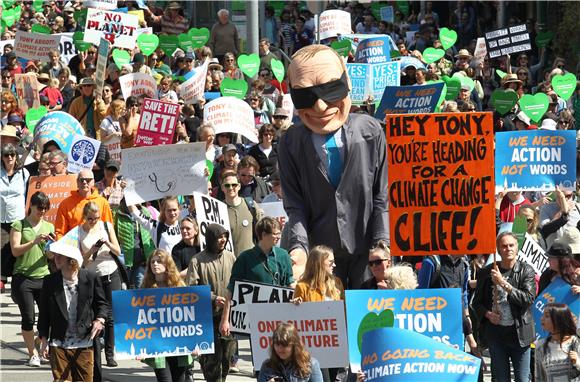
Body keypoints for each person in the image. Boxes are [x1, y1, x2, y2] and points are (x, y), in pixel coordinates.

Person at [279, 44, 388, 286]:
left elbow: (382, 195)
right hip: (321, 254)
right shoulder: (290, 143)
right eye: (306, 95)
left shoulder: (370, 131)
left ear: (346, 80)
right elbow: (295, 205)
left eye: (330, 89)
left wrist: (382, 243)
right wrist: (299, 248)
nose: (320, 106)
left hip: (366, 251)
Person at [38, 242, 108, 382]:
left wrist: (100, 320)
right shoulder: (50, 281)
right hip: (59, 342)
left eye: (60, 256)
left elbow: (102, 304)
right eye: (55, 255)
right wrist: (44, 339)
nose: (56, 258)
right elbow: (44, 313)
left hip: (84, 342)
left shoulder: (90, 278)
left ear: (71, 260)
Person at [472, 231, 536, 382]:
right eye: (504, 246)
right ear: (498, 250)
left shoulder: (526, 270)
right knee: (501, 379)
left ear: (517, 247)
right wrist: (488, 314)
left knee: (522, 379)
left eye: (511, 245)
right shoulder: (486, 272)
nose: (508, 249)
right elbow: (476, 303)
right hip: (496, 337)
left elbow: (528, 299)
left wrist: (503, 283)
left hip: (520, 335)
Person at [220, 217, 294, 337]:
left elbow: (290, 283)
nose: (279, 237)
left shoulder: (283, 255)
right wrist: (225, 320)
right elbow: (231, 290)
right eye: (275, 234)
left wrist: (297, 299)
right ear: (264, 235)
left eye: (280, 233)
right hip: (254, 321)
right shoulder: (245, 258)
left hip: (280, 317)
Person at [186, 223, 236, 382]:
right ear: (210, 239)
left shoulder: (230, 257)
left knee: (227, 358)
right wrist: (213, 298)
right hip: (207, 318)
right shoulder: (197, 260)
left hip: (228, 317)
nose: (223, 240)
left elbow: (237, 282)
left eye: (225, 236)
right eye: (219, 237)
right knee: (211, 363)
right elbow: (192, 289)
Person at [9, 191, 54, 367]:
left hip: (43, 276)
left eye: (45, 208)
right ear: (31, 207)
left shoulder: (49, 227)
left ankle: (37, 341)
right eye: (39, 208)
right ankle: (32, 353)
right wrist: (34, 241)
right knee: (28, 317)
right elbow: (15, 250)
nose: (42, 211)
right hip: (23, 277)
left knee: (47, 317)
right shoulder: (19, 225)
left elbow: (50, 256)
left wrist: (50, 247)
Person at [78, 201, 122, 367]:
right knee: (94, 314)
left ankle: (110, 354)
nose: (93, 221)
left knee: (110, 316)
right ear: (84, 217)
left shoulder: (106, 226)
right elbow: (80, 260)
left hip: (110, 272)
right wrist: (92, 250)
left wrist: (107, 243)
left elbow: (118, 251)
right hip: (92, 276)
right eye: (90, 219)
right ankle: (94, 350)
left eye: (96, 218)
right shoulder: (79, 232)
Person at [140, 249, 193, 382]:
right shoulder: (145, 289)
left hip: (179, 344)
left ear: (167, 264)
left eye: (159, 261)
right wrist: (137, 347)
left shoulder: (179, 286)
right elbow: (138, 320)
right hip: (157, 345)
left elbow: (190, 317)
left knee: (180, 379)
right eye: (152, 262)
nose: (155, 264)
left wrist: (195, 343)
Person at [1, 143, 29, 292]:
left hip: (18, 216)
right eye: (6, 155)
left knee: (16, 249)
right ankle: (2, 279)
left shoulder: (24, 173)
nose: (10, 157)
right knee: (2, 250)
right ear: (2, 157)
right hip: (1, 217)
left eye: (12, 154)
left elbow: (29, 193)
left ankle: (17, 280)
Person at [54, 169, 113, 239]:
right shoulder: (65, 204)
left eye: (88, 180)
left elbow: (108, 229)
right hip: (73, 246)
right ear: (77, 182)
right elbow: (60, 232)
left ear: (93, 182)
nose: (84, 182)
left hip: (97, 246)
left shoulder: (103, 203)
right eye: (81, 180)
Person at [257, 322, 323, 382]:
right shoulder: (267, 365)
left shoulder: (311, 365)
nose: (280, 349)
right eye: (277, 344)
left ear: (295, 345)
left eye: (284, 345)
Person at [220, 170, 263, 256]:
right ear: (222, 188)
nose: (231, 188)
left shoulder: (251, 205)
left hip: (250, 261)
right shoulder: (219, 208)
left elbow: (262, 232)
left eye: (234, 185)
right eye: (227, 185)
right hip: (228, 263)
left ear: (239, 186)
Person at [535, 303, 580, 381]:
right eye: (543, 315)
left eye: (547, 316)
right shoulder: (540, 345)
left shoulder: (575, 342)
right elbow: (539, 377)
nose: (542, 319)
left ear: (559, 319)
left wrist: (578, 362)